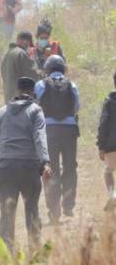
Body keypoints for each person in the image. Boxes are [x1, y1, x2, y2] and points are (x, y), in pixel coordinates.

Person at [0, 77, 51, 252]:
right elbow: (39, 137)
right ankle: (35, 256)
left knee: (7, 215)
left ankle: (7, 260)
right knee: (31, 211)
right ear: (32, 93)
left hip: (6, 169)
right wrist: (45, 162)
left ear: (17, 91)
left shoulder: (2, 111)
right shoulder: (36, 111)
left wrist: (3, 156)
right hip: (29, 168)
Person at [35, 56, 79, 222]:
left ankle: (54, 209)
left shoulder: (41, 85)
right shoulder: (72, 84)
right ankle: (68, 205)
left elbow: (36, 105)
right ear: (63, 68)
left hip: (49, 130)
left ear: (47, 69)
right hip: (69, 130)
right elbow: (76, 107)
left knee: (51, 168)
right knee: (70, 166)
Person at [1, 31, 41, 104]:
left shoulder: (7, 55)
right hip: (20, 99)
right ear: (25, 41)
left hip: (8, 98)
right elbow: (33, 74)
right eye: (28, 44)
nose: (28, 46)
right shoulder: (21, 53)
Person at [97, 72, 116, 199]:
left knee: (108, 171)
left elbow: (104, 123)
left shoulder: (109, 100)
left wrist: (101, 145)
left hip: (112, 144)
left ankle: (112, 195)